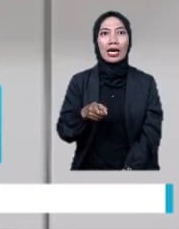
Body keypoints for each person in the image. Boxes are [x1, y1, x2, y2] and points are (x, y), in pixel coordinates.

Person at [56, 11, 163, 170]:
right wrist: (83, 114)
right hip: (89, 176)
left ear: (129, 41)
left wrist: (128, 171)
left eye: (120, 33)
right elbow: (65, 132)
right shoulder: (80, 82)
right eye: (105, 33)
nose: (113, 40)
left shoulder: (146, 83)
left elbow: (151, 135)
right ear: (96, 41)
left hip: (135, 175)